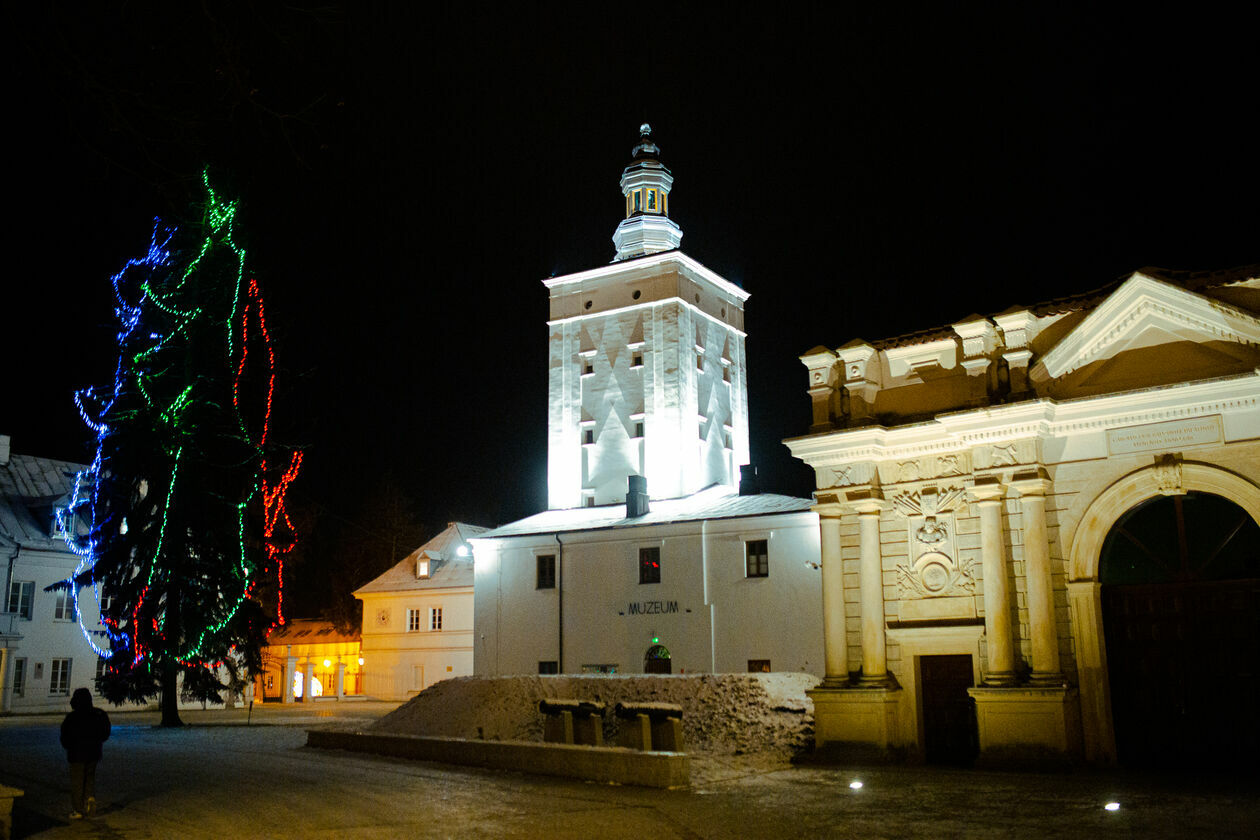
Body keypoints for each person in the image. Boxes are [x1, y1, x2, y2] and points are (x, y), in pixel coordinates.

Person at [59, 688, 111, 820]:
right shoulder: (99, 714)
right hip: (94, 752)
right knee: (89, 777)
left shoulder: (72, 717)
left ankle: (77, 809)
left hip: (77, 754)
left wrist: (69, 746)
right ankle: (89, 798)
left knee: (77, 781)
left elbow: (65, 736)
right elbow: (105, 732)